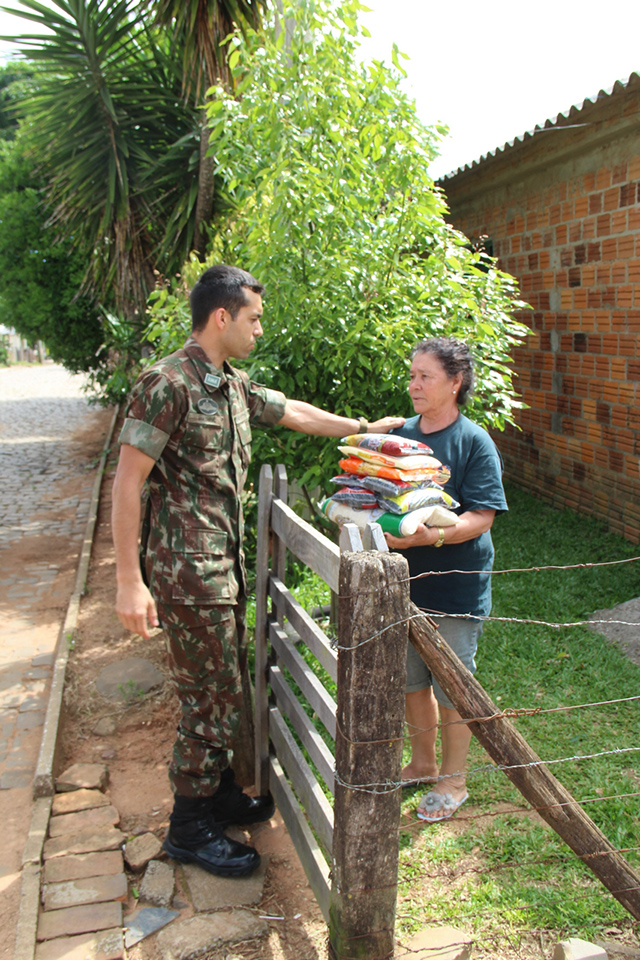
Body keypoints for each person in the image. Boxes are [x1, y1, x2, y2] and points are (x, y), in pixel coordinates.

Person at [112, 264, 404, 876]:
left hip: (219, 572)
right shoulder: (166, 384)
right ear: (222, 317)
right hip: (187, 572)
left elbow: (293, 410)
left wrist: (361, 429)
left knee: (222, 684)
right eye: (254, 318)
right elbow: (127, 484)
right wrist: (127, 581)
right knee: (209, 697)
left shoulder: (229, 383)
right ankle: (188, 827)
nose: (260, 330)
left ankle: (214, 796)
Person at [383, 337, 507, 823]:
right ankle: (422, 762)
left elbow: (482, 516)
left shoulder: (473, 441)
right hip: (404, 586)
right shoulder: (402, 436)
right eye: (412, 374)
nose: (413, 384)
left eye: (425, 376)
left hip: (456, 583)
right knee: (412, 682)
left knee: (453, 686)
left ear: (455, 383)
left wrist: (429, 538)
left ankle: (454, 781)